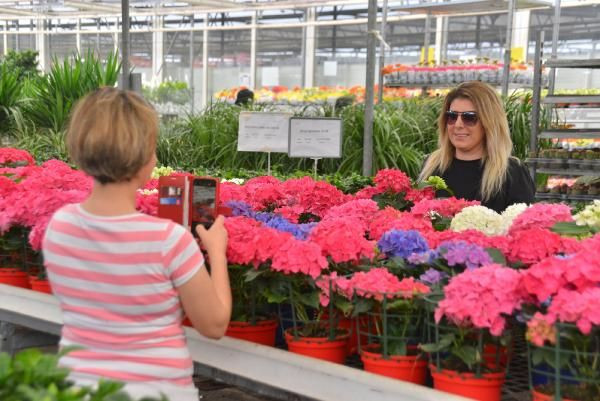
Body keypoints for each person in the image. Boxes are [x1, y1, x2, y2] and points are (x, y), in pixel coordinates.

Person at [42, 87, 231, 401]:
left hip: (77, 390)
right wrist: (217, 251)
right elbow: (214, 325)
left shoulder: (59, 226)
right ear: (145, 157)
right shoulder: (167, 240)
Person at [419, 81, 535, 212]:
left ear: (489, 123)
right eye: (451, 116)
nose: (458, 125)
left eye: (469, 118)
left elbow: (524, 227)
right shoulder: (431, 166)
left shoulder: (511, 173)